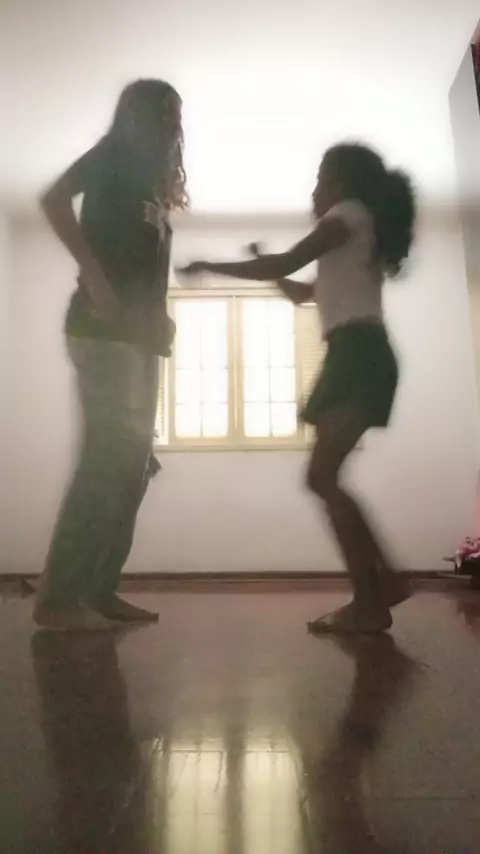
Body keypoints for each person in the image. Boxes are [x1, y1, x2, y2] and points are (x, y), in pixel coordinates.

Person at [179, 142, 416, 633]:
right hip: (356, 354)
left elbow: (286, 264)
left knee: (322, 476)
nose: (314, 190)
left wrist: (209, 264)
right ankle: (380, 587)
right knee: (322, 476)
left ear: (341, 183)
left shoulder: (348, 214)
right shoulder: (355, 236)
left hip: (358, 355)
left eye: (320, 178)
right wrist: (264, 264)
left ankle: (376, 592)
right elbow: (300, 292)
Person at [34, 79, 187, 631]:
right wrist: (95, 278)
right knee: (105, 461)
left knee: (134, 465)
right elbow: (53, 199)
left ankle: (98, 590)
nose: (174, 123)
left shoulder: (154, 188)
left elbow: (146, 267)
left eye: (178, 114)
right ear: (138, 114)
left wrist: (159, 316)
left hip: (140, 338)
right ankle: (58, 600)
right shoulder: (112, 156)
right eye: (165, 111)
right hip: (100, 331)